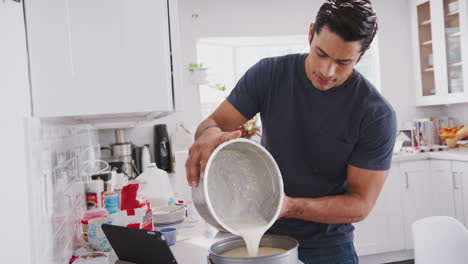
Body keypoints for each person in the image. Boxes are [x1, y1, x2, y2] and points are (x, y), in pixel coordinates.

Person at [185, 0, 397, 263]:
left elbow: (360, 204)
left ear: (362, 56)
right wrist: (207, 136)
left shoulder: (375, 114)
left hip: (328, 248)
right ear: (310, 33)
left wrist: (288, 206)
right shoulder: (269, 75)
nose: (326, 71)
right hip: (262, 234)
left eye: (343, 62)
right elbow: (212, 124)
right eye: (321, 53)